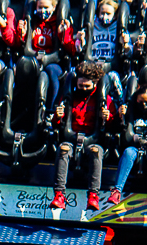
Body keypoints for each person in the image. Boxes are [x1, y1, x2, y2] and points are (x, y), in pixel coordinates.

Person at [50, 62, 116, 211]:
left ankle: (93, 195)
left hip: (92, 140)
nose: (84, 89)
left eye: (87, 86)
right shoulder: (69, 98)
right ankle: (59, 194)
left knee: (96, 151)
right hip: (72, 139)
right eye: (81, 86)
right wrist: (57, 117)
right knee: (63, 149)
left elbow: (112, 125)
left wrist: (108, 117)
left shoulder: (103, 99)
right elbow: (56, 124)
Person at [107, 84, 147, 210]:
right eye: (141, 102)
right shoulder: (132, 111)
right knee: (128, 152)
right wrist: (121, 117)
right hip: (135, 147)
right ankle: (117, 191)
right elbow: (124, 136)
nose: (144, 105)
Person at [15, 0, 75, 109]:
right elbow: (20, 43)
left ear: (54, 8)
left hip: (53, 60)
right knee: (24, 70)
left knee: (52, 72)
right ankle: (24, 110)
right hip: (33, 58)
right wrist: (22, 32)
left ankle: (51, 110)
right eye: (40, 7)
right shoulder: (33, 22)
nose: (43, 10)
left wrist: (63, 34)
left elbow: (70, 49)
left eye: (46, 7)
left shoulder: (59, 23)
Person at [74, 0, 132, 105]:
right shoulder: (92, 27)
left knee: (113, 76)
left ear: (115, 15)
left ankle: (119, 106)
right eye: (102, 13)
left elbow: (129, 53)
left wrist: (126, 44)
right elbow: (79, 49)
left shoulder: (119, 29)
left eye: (108, 14)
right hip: (92, 67)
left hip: (111, 67)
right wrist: (79, 40)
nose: (104, 17)